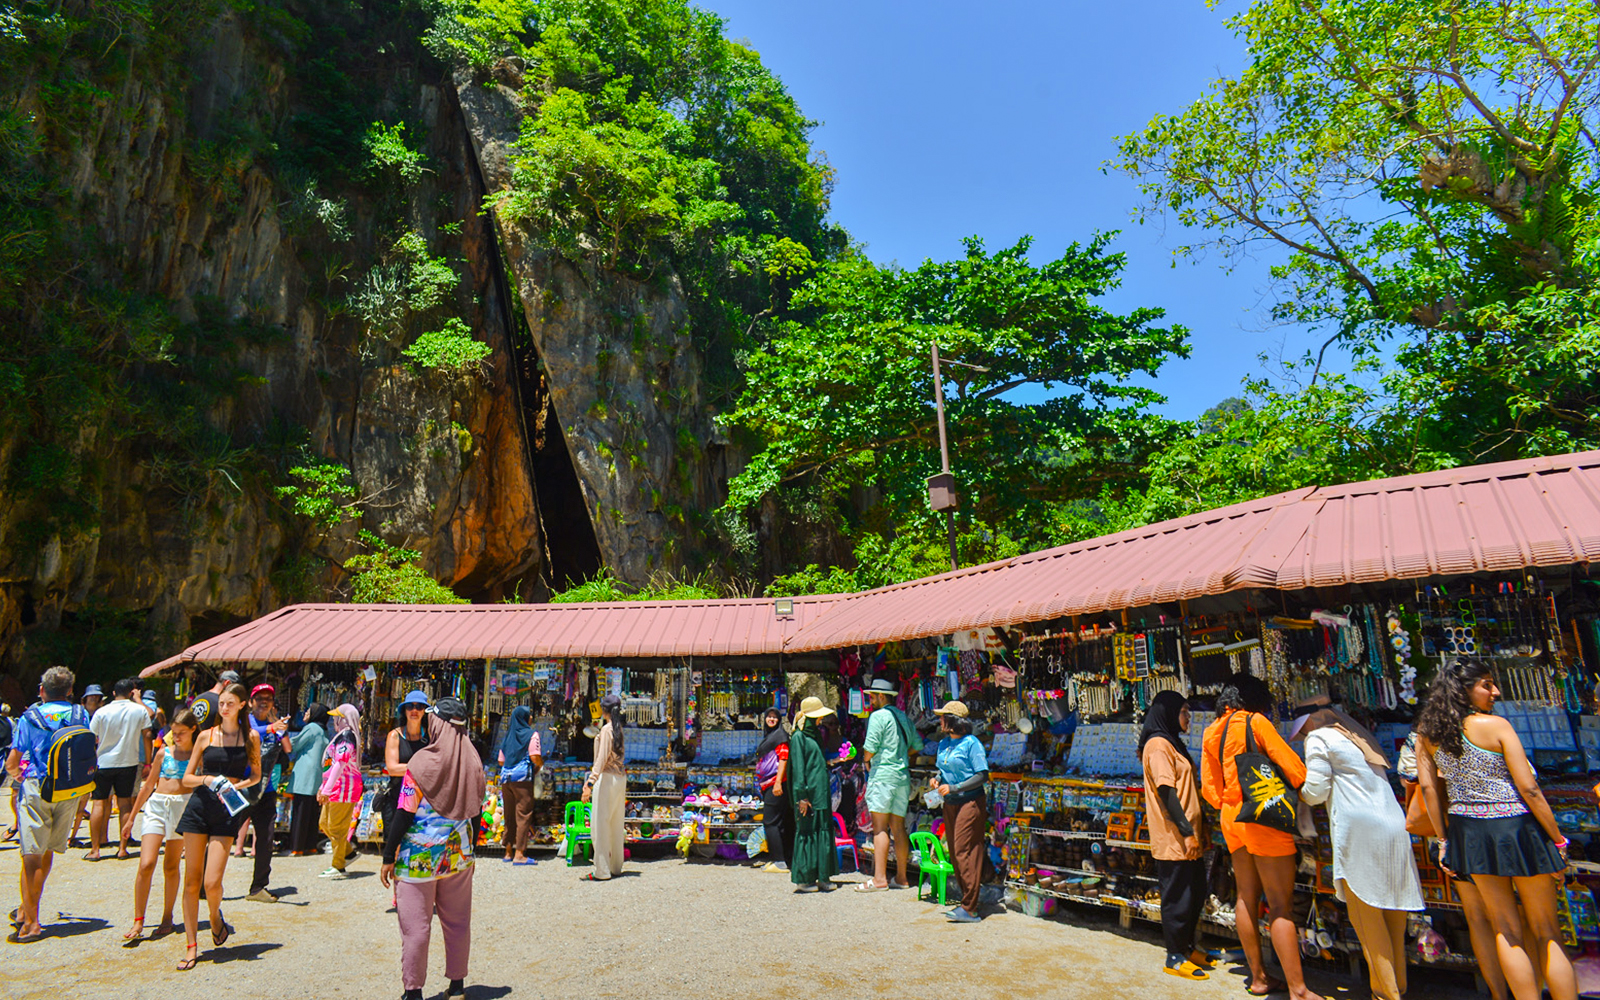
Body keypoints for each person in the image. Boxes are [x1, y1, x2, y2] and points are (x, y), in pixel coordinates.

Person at [1416, 658, 1575, 1000]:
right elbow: (1529, 789)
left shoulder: (1428, 735)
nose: (1495, 691)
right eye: (1486, 684)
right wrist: (1558, 840)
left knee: (1505, 928)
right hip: (1517, 828)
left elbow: (1429, 790)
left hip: (1469, 831)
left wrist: (1444, 840)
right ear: (1464, 689)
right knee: (1547, 929)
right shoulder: (1497, 726)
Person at [1200, 674, 1320, 1000]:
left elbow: (1210, 790)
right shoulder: (1256, 722)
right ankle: (1299, 991)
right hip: (1263, 816)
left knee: (1244, 897)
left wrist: (1233, 802)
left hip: (1231, 819)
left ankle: (1259, 979)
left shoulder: (1211, 732)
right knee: (1280, 904)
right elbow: (1296, 770)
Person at [1297, 701, 1424, 1000]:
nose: (1301, 736)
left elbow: (1316, 790)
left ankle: (1389, 996)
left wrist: (1296, 792)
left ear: (1307, 723)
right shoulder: (1355, 734)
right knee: (1394, 919)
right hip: (1393, 825)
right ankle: (1392, 988)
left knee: (1367, 920)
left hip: (1361, 832)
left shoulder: (1318, 737)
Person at [381, 697, 484, 1000]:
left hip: (418, 858)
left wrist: (388, 856)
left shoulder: (421, 762)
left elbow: (404, 812)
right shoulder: (474, 760)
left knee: (416, 927)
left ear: (437, 724)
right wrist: (472, 851)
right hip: (459, 856)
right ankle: (457, 986)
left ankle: (413, 991)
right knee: (458, 921)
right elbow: (476, 812)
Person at [175, 681, 261, 970]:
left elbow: (257, 777)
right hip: (199, 806)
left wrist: (238, 786)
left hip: (226, 811)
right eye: (221, 703)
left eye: (230, 703)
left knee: (212, 882)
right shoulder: (205, 736)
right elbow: (186, 779)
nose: (224, 707)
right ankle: (191, 946)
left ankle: (214, 917)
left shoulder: (250, 737)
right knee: (191, 881)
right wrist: (207, 780)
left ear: (241, 705)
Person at [5, 666, 93, 942]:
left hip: (37, 788)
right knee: (46, 853)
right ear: (70, 691)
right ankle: (24, 909)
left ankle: (31, 921)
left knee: (30, 856)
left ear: (42, 690)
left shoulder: (31, 716)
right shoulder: (81, 714)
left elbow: (12, 761)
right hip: (68, 791)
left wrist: (16, 773)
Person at [1139, 690, 1211, 979]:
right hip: (1174, 837)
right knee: (1177, 897)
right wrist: (1187, 833)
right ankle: (1174, 956)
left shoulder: (1172, 743)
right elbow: (1167, 793)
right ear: (1168, 713)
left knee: (1195, 892)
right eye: (1183, 711)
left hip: (1188, 834)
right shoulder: (1158, 746)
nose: (1188, 716)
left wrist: (1200, 828)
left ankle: (1188, 947)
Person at [123, 709, 199, 941]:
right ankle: (138, 920)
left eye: (181, 733)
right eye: (173, 733)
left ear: (193, 730)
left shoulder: (198, 755)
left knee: (170, 865)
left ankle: (167, 917)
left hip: (182, 808)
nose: (176, 737)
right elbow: (147, 786)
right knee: (146, 863)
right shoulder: (163, 753)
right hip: (157, 806)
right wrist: (131, 817)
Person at [856, 677, 922, 893]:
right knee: (899, 827)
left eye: (872, 696)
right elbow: (917, 745)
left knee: (880, 828)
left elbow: (870, 748)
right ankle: (902, 877)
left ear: (881, 696)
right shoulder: (903, 717)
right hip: (902, 777)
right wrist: (900, 755)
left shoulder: (878, 717)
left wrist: (866, 760)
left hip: (883, 776)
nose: (871, 700)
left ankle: (879, 879)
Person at [930, 700, 989, 922]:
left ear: (954, 720)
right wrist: (936, 779)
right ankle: (967, 901)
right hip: (950, 803)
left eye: (943, 716)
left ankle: (970, 907)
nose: (939, 720)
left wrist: (955, 787)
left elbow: (982, 775)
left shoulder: (972, 744)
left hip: (970, 802)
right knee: (954, 851)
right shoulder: (944, 744)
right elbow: (943, 770)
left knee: (965, 850)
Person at [86, 677, 152, 861]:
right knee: (125, 804)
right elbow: (147, 735)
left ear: (113, 693)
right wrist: (148, 762)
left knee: (98, 803)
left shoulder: (102, 712)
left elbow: (92, 737)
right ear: (132, 693)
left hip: (104, 762)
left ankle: (95, 849)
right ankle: (122, 848)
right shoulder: (139, 710)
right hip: (129, 762)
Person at [244, 684, 290, 902]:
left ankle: (258, 887)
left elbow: (287, 748)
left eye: (269, 698)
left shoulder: (274, 724)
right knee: (223, 836)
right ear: (251, 702)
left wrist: (279, 726)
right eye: (259, 698)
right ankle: (207, 883)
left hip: (268, 790)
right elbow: (249, 736)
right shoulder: (246, 722)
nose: (264, 701)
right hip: (244, 789)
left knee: (266, 839)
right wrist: (271, 728)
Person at [788, 696, 839, 893]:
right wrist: (801, 796)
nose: (820, 720)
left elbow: (817, 762)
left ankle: (822, 877)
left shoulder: (816, 735)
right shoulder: (799, 737)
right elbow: (799, 770)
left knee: (823, 829)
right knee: (807, 832)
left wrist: (837, 760)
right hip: (808, 794)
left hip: (821, 791)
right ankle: (805, 879)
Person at [579, 693, 626, 881]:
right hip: (620, 778)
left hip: (606, 778)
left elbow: (601, 759)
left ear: (604, 711)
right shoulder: (619, 729)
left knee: (600, 824)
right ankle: (615, 866)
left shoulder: (607, 730)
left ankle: (602, 870)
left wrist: (589, 782)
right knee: (615, 823)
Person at [318, 703, 365, 879]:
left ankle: (338, 865)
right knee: (324, 823)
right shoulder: (341, 736)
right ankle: (348, 852)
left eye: (336, 717)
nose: (333, 721)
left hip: (344, 787)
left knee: (336, 827)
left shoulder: (346, 737)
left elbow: (340, 763)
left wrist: (326, 789)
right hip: (335, 787)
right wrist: (324, 787)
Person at [497, 705, 543, 864]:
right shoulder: (532, 734)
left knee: (509, 815)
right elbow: (535, 756)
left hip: (506, 779)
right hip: (522, 778)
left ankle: (508, 852)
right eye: (529, 715)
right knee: (523, 815)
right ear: (524, 718)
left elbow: (501, 760)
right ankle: (519, 854)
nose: (531, 717)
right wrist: (539, 765)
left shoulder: (508, 736)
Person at [383, 691, 432, 837]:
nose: (414, 711)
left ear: (425, 711)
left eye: (419, 707)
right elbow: (392, 769)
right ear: (404, 710)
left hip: (423, 800)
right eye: (410, 706)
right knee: (395, 845)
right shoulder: (394, 736)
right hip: (397, 798)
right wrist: (422, 768)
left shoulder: (430, 735)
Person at [286, 703, 330, 855]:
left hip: (305, 774)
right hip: (316, 774)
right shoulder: (323, 731)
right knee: (311, 813)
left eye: (309, 711)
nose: (305, 713)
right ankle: (310, 845)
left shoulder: (311, 728)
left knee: (300, 812)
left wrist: (282, 735)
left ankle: (297, 847)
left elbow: (294, 744)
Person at [755, 705, 793, 874]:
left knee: (769, 822)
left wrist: (778, 783)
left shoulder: (780, 737)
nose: (771, 719)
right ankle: (780, 858)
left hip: (776, 785)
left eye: (775, 717)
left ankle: (779, 861)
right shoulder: (771, 736)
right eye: (769, 717)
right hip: (770, 784)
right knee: (778, 823)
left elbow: (783, 759)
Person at [67, 682, 104, 849]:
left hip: (94, 759)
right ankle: (68, 834)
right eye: (92, 696)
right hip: (77, 760)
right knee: (73, 799)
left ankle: (72, 835)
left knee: (84, 800)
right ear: (85, 699)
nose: (94, 698)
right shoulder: (77, 715)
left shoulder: (103, 715)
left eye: (97, 696)